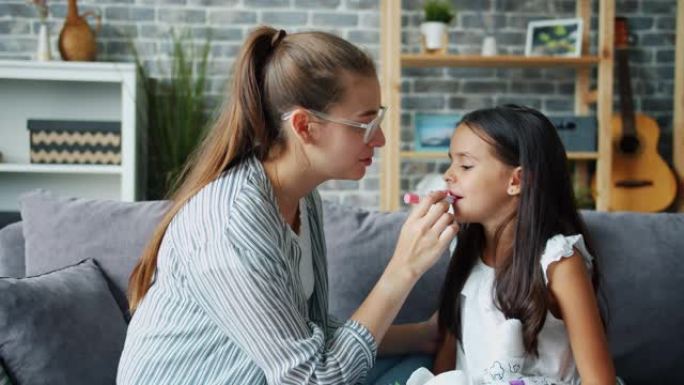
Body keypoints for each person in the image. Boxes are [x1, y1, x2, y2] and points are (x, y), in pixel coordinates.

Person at [116, 26, 458, 385]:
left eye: (379, 120)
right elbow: (312, 377)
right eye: (364, 124)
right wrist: (403, 268)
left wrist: (420, 335)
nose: (381, 138)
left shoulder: (302, 197)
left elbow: (310, 334)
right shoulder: (233, 227)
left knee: (422, 370)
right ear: (304, 126)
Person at [430, 105, 616, 385]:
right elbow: (448, 356)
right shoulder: (463, 250)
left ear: (517, 181)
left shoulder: (558, 262)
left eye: (465, 165)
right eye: (451, 162)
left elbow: (600, 381)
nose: (448, 175)